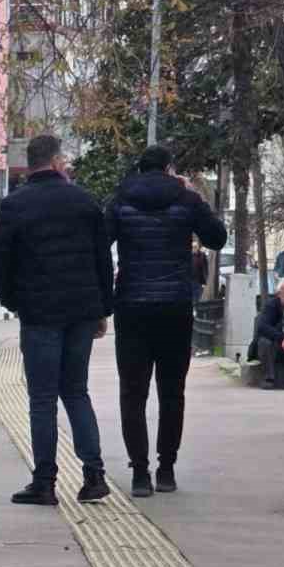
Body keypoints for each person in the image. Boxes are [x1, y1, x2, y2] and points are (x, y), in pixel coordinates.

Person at [0, 133, 114, 507]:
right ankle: (94, 475)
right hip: (81, 312)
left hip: (39, 314)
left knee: (42, 398)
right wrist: (102, 310)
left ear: (30, 164)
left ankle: (44, 483)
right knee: (76, 391)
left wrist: (14, 301)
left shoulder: (15, 205)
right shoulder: (84, 201)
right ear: (57, 162)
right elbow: (102, 260)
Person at [105, 145, 228, 498]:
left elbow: (100, 241)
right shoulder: (186, 199)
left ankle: (139, 473)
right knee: (172, 391)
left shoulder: (121, 199)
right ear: (170, 168)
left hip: (132, 306)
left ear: (139, 168)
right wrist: (193, 195)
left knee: (133, 392)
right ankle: (167, 470)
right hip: (175, 307)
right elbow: (217, 237)